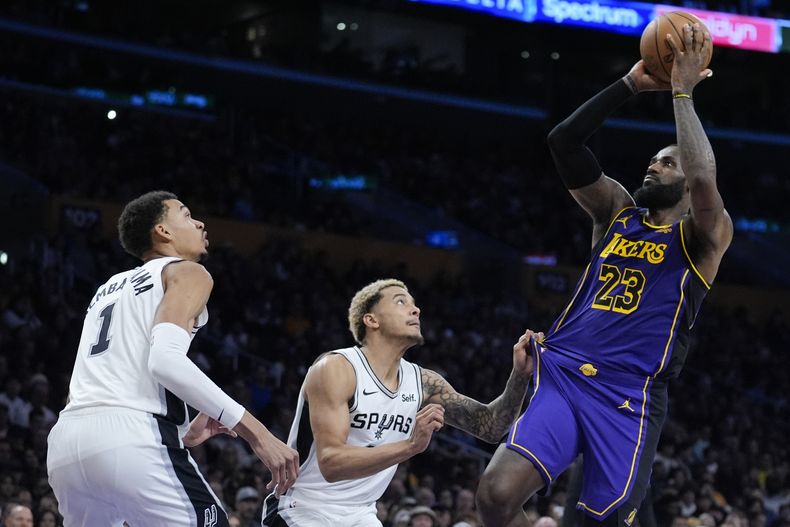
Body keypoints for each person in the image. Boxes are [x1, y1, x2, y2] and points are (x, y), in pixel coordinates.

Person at [476, 23, 733, 527]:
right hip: (565, 373)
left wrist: (682, 92)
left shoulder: (703, 236)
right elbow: (564, 141)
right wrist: (630, 85)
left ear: (687, 187)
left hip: (627, 395)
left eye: (667, 163)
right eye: (652, 160)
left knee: (606, 519)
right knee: (495, 497)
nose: (653, 166)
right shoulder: (616, 212)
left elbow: (705, 175)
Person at [46, 191, 299, 527]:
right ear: (163, 231)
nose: (200, 223)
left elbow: (109, 380)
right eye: (186, 215)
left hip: (66, 443)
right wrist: (258, 433)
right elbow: (164, 361)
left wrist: (179, 431)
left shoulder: (108, 287)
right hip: (132, 436)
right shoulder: (188, 272)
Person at [263, 279, 539, 526]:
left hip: (361, 513)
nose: (415, 310)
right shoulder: (337, 368)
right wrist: (410, 446)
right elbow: (331, 464)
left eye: (414, 304)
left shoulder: (423, 382)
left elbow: (490, 427)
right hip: (304, 508)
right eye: (400, 302)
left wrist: (520, 375)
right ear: (371, 320)